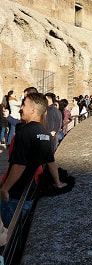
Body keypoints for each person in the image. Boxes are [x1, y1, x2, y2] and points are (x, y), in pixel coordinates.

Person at [0, 92, 65, 227]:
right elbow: (51, 162)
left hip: (15, 194)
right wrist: (58, 182)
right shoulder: (46, 134)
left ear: (32, 110)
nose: (21, 108)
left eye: (23, 105)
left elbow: (19, 166)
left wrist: (5, 189)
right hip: (30, 192)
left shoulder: (24, 132)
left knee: (11, 230)